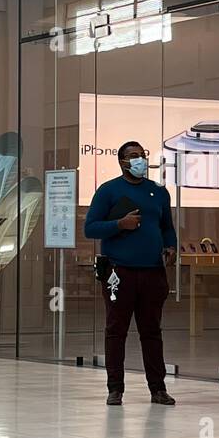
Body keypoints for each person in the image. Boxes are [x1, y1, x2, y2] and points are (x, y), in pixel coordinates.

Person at [84, 141, 177, 407]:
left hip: (152, 272)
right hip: (119, 271)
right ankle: (115, 389)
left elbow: (166, 226)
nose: (140, 160)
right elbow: (90, 229)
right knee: (116, 331)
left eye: (142, 155)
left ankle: (158, 389)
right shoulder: (108, 191)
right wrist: (119, 224)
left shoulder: (158, 192)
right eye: (133, 156)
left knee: (151, 331)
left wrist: (171, 246)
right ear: (122, 161)